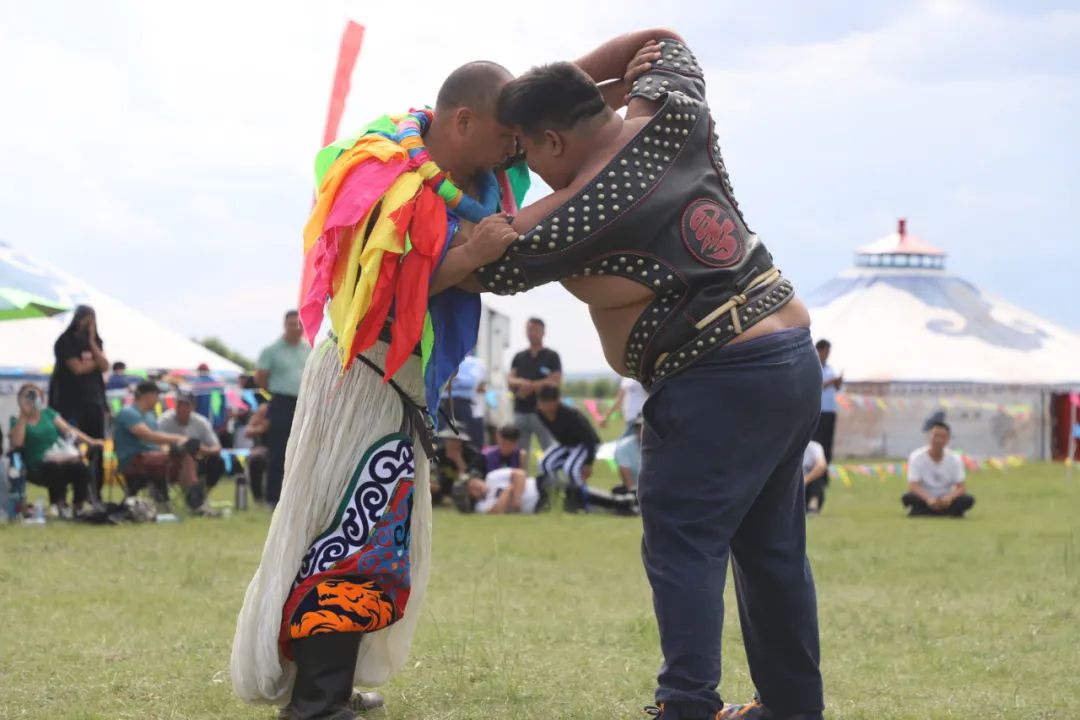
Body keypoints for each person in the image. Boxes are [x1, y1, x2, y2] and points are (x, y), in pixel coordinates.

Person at [468, 30, 824, 719]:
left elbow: (490, 257)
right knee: (772, 553)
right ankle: (791, 709)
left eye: (526, 150)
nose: (529, 168)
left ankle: (686, 705)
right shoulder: (676, 110)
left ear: (552, 142)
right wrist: (570, 81)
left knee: (684, 545)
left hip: (716, 377)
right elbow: (661, 40)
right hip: (789, 352)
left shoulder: (578, 212)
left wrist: (498, 203)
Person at [231, 61, 530, 719]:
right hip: (363, 380)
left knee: (377, 535)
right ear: (463, 122)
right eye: (509, 131)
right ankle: (315, 702)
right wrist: (474, 254)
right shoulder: (384, 176)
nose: (518, 146)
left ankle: (330, 689)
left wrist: (608, 85)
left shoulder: (476, 182)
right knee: (352, 532)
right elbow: (387, 292)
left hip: (399, 387)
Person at [112, 381, 212, 515]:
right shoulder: (128, 412)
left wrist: (169, 448)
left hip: (153, 459)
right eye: (157, 396)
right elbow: (148, 436)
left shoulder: (150, 415)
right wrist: (178, 439)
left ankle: (193, 497)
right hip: (133, 460)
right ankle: (195, 502)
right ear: (148, 395)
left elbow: (159, 440)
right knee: (180, 456)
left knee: (185, 454)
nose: (158, 400)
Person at [9, 383, 102, 517]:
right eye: (27, 396)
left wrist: (91, 441)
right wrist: (24, 416)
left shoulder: (48, 414)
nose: (31, 399)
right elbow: (17, 443)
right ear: (20, 399)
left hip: (60, 455)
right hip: (36, 463)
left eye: (34, 395)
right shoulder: (16, 421)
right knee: (53, 468)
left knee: (79, 467)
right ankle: (59, 504)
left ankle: (79, 504)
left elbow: (69, 430)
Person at [49, 305, 108, 488]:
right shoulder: (65, 341)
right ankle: (69, 494)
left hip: (94, 402)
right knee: (69, 448)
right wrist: (94, 364)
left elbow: (105, 365)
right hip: (69, 403)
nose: (89, 324)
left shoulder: (96, 342)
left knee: (97, 448)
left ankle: (95, 490)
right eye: (86, 320)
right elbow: (78, 368)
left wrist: (91, 342)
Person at [256, 311, 311, 507]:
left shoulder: (308, 349)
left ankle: (297, 497)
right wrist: (273, 393)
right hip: (280, 402)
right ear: (284, 325)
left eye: (299, 324)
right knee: (279, 451)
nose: (296, 327)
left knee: (302, 449)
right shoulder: (272, 350)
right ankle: (273, 497)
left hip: (304, 403)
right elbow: (261, 377)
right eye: (291, 324)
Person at [534, 385, 599, 510]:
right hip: (566, 444)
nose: (543, 406)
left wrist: (589, 463)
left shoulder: (571, 415)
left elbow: (590, 438)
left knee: (571, 469)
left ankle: (581, 501)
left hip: (584, 443)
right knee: (544, 463)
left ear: (556, 401)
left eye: (547, 402)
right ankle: (553, 496)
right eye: (541, 402)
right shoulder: (540, 413)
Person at [509, 318, 562, 465]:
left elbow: (555, 381)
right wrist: (522, 383)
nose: (532, 333)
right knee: (520, 454)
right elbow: (510, 379)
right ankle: (522, 484)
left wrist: (530, 386)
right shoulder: (519, 357)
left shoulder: (551, 356)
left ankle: (552, 484)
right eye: (529, 329)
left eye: (535, 330)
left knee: (549, 450)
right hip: (521, 411)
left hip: (543, 412)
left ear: (543, 332)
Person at [903, 421, 975, 518]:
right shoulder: (916, 457)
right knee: (908, 498)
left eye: (942, 437)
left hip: (946, 498)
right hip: (924, 497)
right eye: (935, 436)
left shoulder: (955, 458)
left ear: (948, 439)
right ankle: (947, 512)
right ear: (929, 437)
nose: (938, 440)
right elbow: (913, 485)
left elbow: (961, 487)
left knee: (968, 499)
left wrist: (948, 498)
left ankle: (924, 512)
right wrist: (929, 499)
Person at [158, 392, 225, 493]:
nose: (182, 408)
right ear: (175, 405)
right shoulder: (164, 420)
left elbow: (217, 447)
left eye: (186, 405)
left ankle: (203, 493)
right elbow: (157, 442)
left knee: (217, 461)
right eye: (180, 404)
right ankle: (190, 494)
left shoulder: (201, 422)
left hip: (198, 458)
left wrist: (202, 449)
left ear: (193, 407)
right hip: (172, 460)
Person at [438, 350, 486, 447]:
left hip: (465, 404)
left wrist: (452, 380)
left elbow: (472, 383)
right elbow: (438, 382)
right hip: (444, 404)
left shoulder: (476, 362)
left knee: (470, 440)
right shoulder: (442, 360)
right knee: (441, 439)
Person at [432, 427, 487, 506]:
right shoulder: (438, 453)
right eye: (449, 440)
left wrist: (459, 461)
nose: (451, 443)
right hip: (443, 490)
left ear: (461, 442)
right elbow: (433, 474)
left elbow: (472, 478)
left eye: (455, 440)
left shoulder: (472, 454)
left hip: (465, 491)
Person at [454, 467, 540, 515]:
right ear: (471, 498)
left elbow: (520, 474)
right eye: (470, 489)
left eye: (473, 482)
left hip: (539, 486)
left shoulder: (492, 477)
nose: (475, 486)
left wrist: (516, 499)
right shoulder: (480, 506)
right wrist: (508, 490)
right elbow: (496, 512)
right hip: (537, 506)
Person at [812, 339, 841, 481]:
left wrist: (838, 382)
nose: (827, 354)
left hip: (830, 410)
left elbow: (837, 388)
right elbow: (817, 386)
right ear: (819, 350)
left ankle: (824, 474)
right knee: (817, 443)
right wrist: (831, 382)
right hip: (818, 411)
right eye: (826, 351)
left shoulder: (830, 368)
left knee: (827, 444)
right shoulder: (813, 366)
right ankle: (814, 471)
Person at [613, 414, 643, 492]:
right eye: (638, 428)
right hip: (636, 490)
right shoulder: (624, 446)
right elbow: (626, 475)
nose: (641, 431)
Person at [802, 440, 828, 514]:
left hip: (807, 485)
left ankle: (813, 504)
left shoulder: (814, 447)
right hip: (794, 484)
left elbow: (822, 465)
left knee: (819, 474)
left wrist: (806, 479)